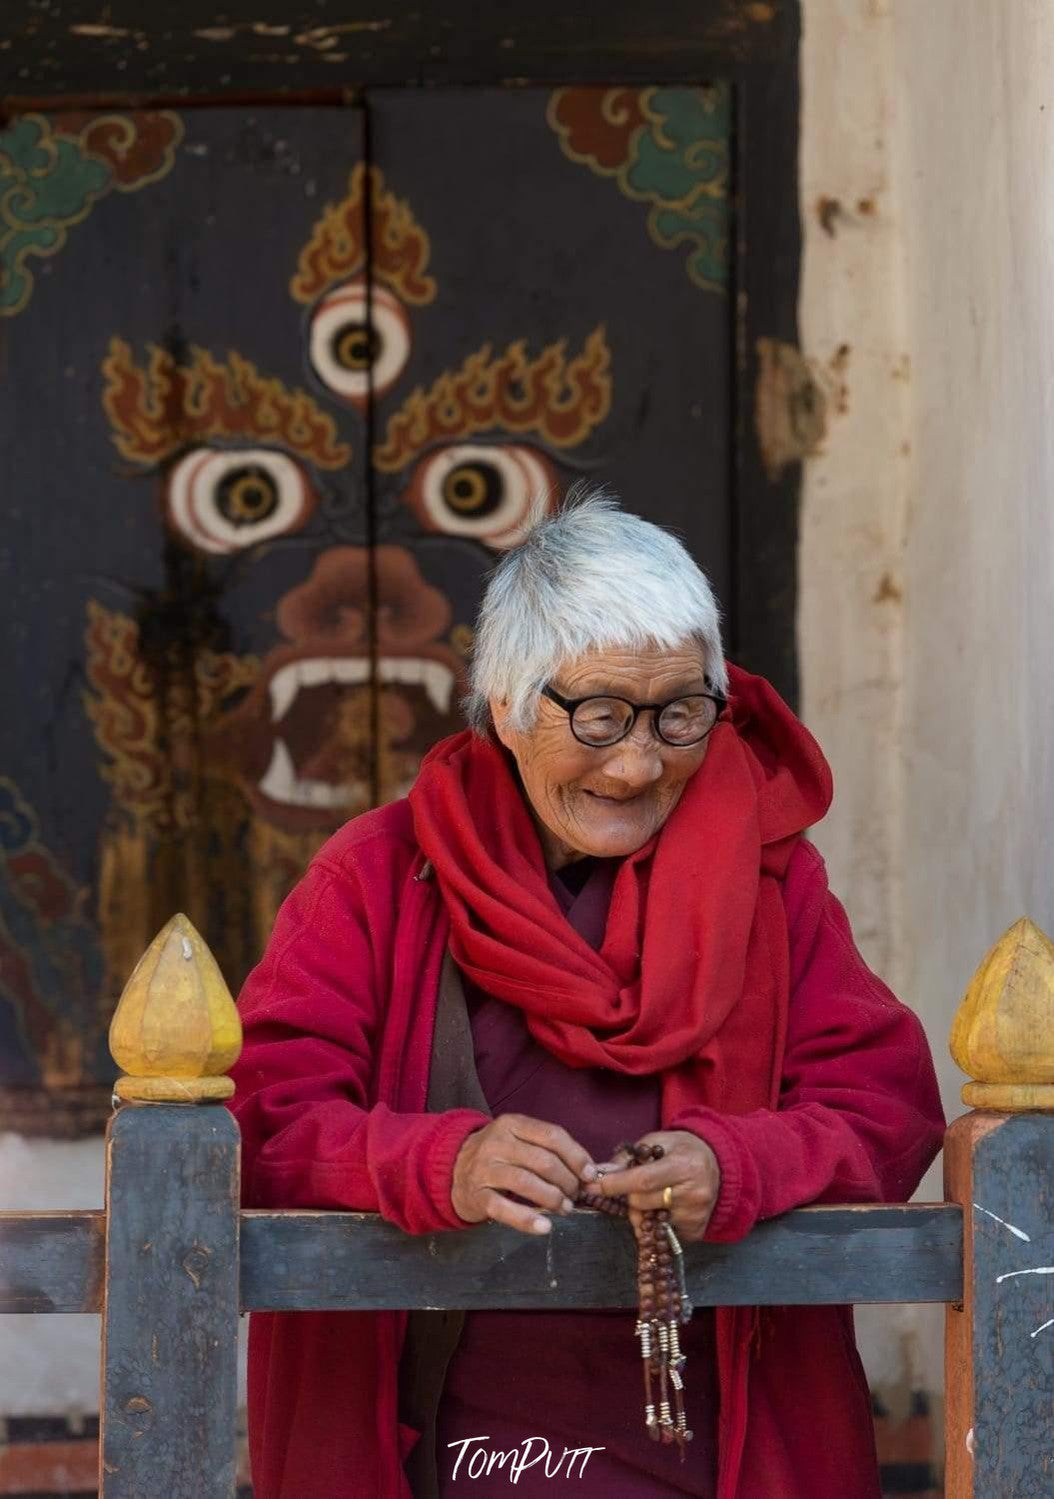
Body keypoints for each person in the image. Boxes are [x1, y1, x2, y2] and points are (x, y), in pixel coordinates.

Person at [228, 489, 945, 1499]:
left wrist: (733, 1162)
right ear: (510, 706)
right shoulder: (380, 877)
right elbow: (269, 1119)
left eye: (680, 713)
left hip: (716, 1437)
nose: (640, 760)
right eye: (601, 713)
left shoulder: (769, 881)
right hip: (447, 1444)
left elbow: (885, 1106)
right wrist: (446, 1160)